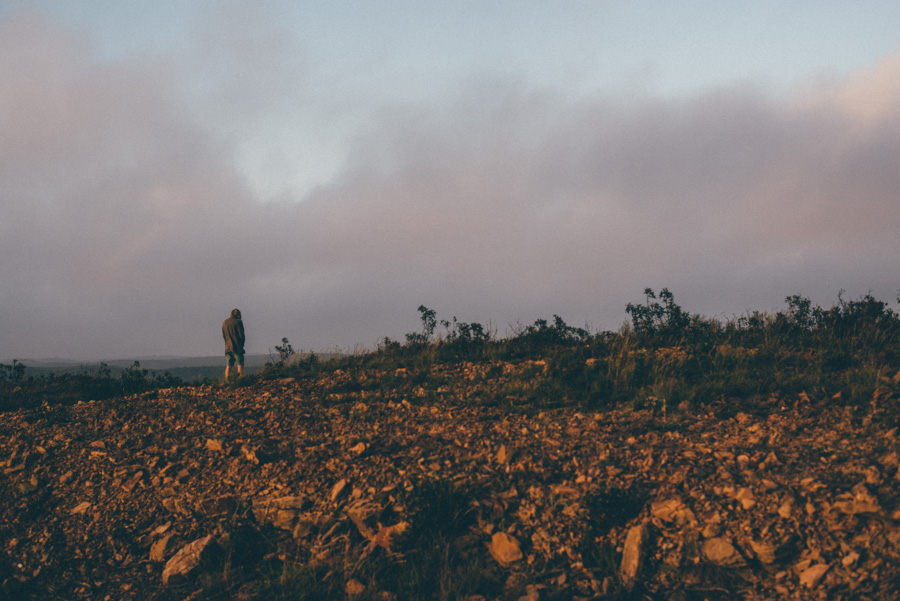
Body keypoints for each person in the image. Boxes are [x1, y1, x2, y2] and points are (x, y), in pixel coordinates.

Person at [223, 308, 245, 379]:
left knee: (228, 366)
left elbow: (224, 335)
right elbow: (241, 335)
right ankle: (240, 380)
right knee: (240, 365)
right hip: (237, 347)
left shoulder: (225, 322)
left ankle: (227, 381)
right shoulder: (238, 322)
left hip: (228, 347)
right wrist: (242, 344)